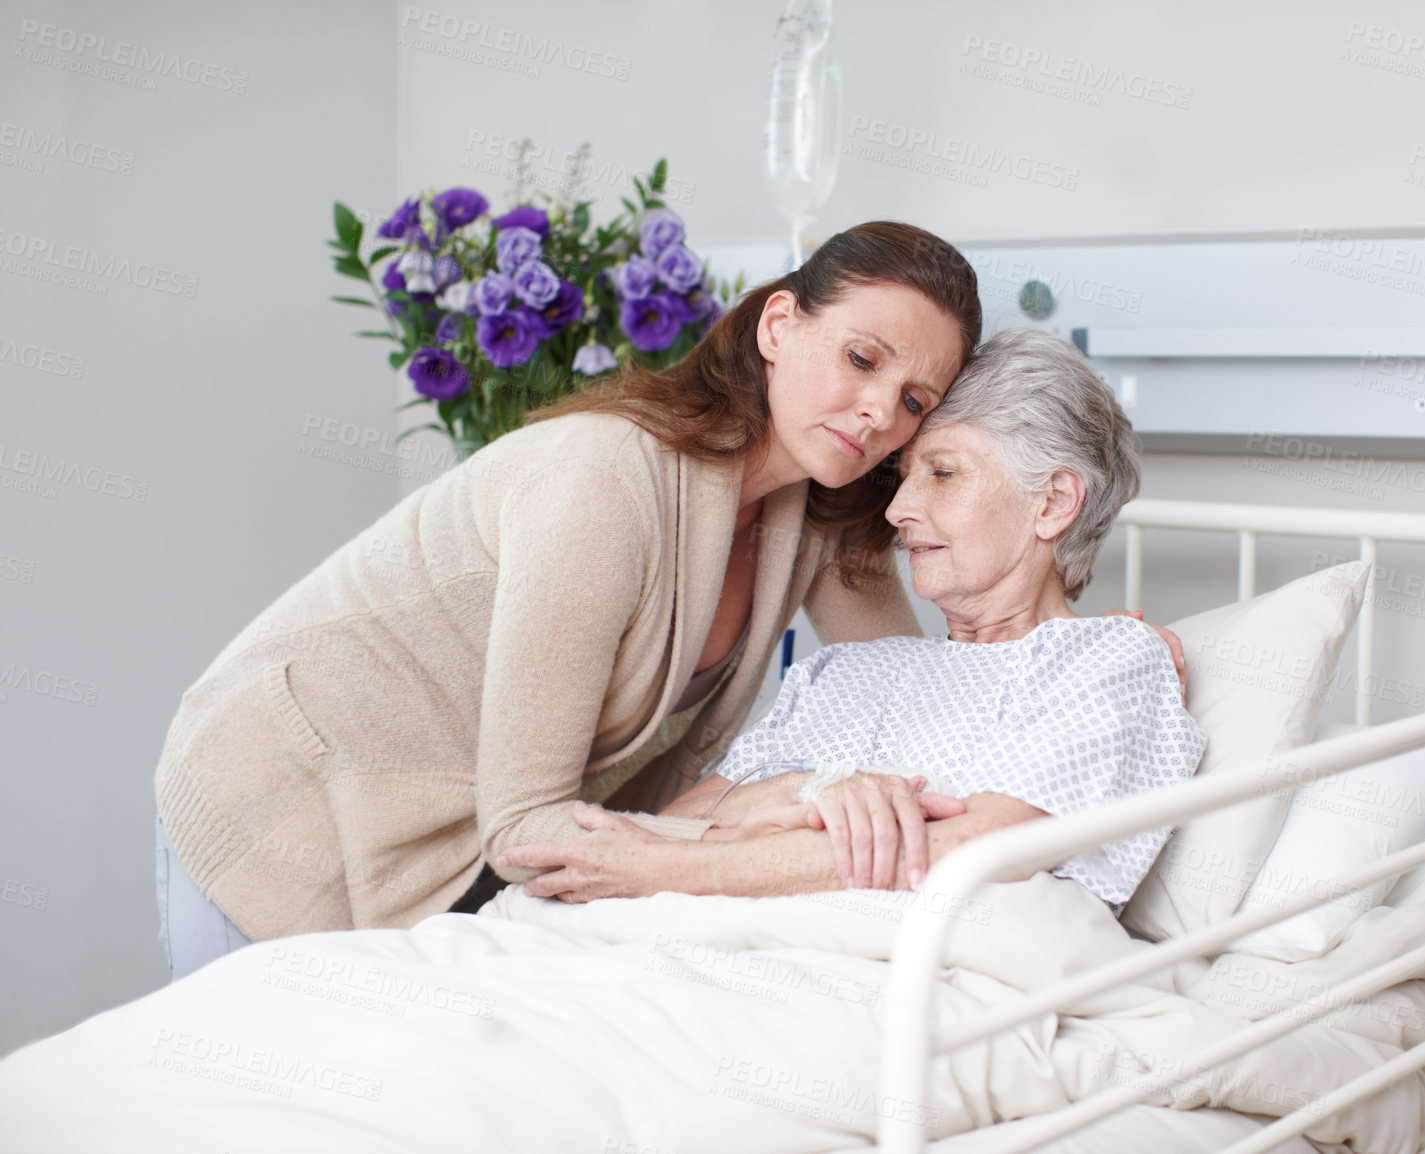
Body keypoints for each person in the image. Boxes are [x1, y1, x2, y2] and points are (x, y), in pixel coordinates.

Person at [152, 222, 981, 980]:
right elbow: (525, 830)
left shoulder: (820, 514)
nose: (880, 411)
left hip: (450, 844)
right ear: (778, 327)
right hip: (282, 798)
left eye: (915, 401)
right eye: (863, 360)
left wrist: (1075, 655)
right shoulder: (603, 483)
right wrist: (761, 825)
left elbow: (920, 706)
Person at [499, 327, 1204, 912]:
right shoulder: (850, 669)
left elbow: (978, 853)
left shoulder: (1106, 661)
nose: (897, 512)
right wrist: (802, 796)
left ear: (1052, 503)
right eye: (902, 478)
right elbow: (673, 823)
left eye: (945, 473)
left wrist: (688, 867)